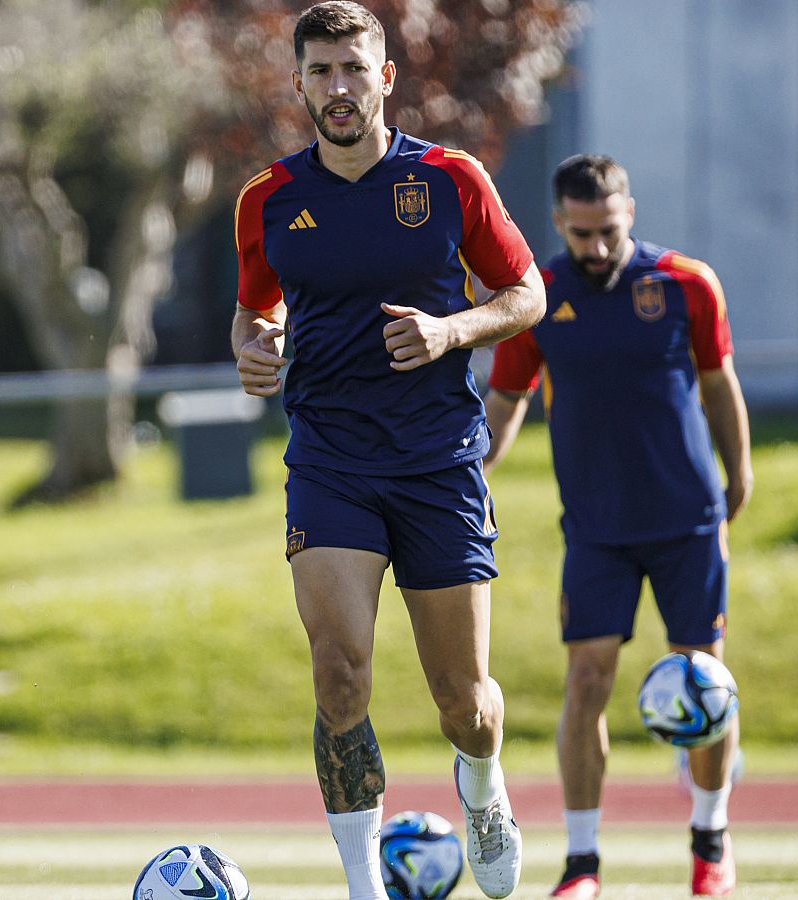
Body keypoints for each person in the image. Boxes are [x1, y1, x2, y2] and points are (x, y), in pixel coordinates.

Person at [232, 4, 546, 898]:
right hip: (329, 462)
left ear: (386, 78)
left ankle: (482, 787)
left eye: (353, 70)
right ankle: (364, 886)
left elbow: (523, 293)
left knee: (465, 702)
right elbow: (257, 308)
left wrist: (452, 331)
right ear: (298, 83)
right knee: (340, 676)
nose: (338, 88)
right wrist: (252, 347)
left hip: (439, 461)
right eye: (321, 71)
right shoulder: (267, 199)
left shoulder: (450, 181)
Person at [483, 154, 752, 898]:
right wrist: (470, 473)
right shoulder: (538, 298)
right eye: (580, 234)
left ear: (628, 211)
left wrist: (740, 472)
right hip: (597, 529)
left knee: (705, 682)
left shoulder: (686, 285)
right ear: (558, 223)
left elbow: (718, 384)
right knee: (586, 682)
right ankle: (582, 863)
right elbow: (504, 404)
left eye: (607, 230)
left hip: (685, 521)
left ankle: (710, 839)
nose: (596, 247)